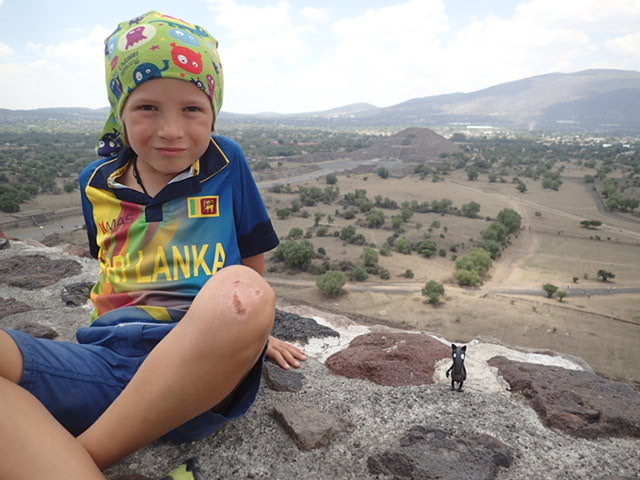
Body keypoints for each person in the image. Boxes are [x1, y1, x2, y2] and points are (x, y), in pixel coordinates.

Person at [0, 11, 306, 480]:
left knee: (242, 288)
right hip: (102, 362)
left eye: (192, 109)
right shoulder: (95, 183)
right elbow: (109, 263)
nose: (171, 130)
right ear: (119, 110)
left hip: (198, 370)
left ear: (213, 112)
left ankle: (82, 457)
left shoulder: (226, 162)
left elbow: (251, 255)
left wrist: (252, 333)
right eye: (147, 107)